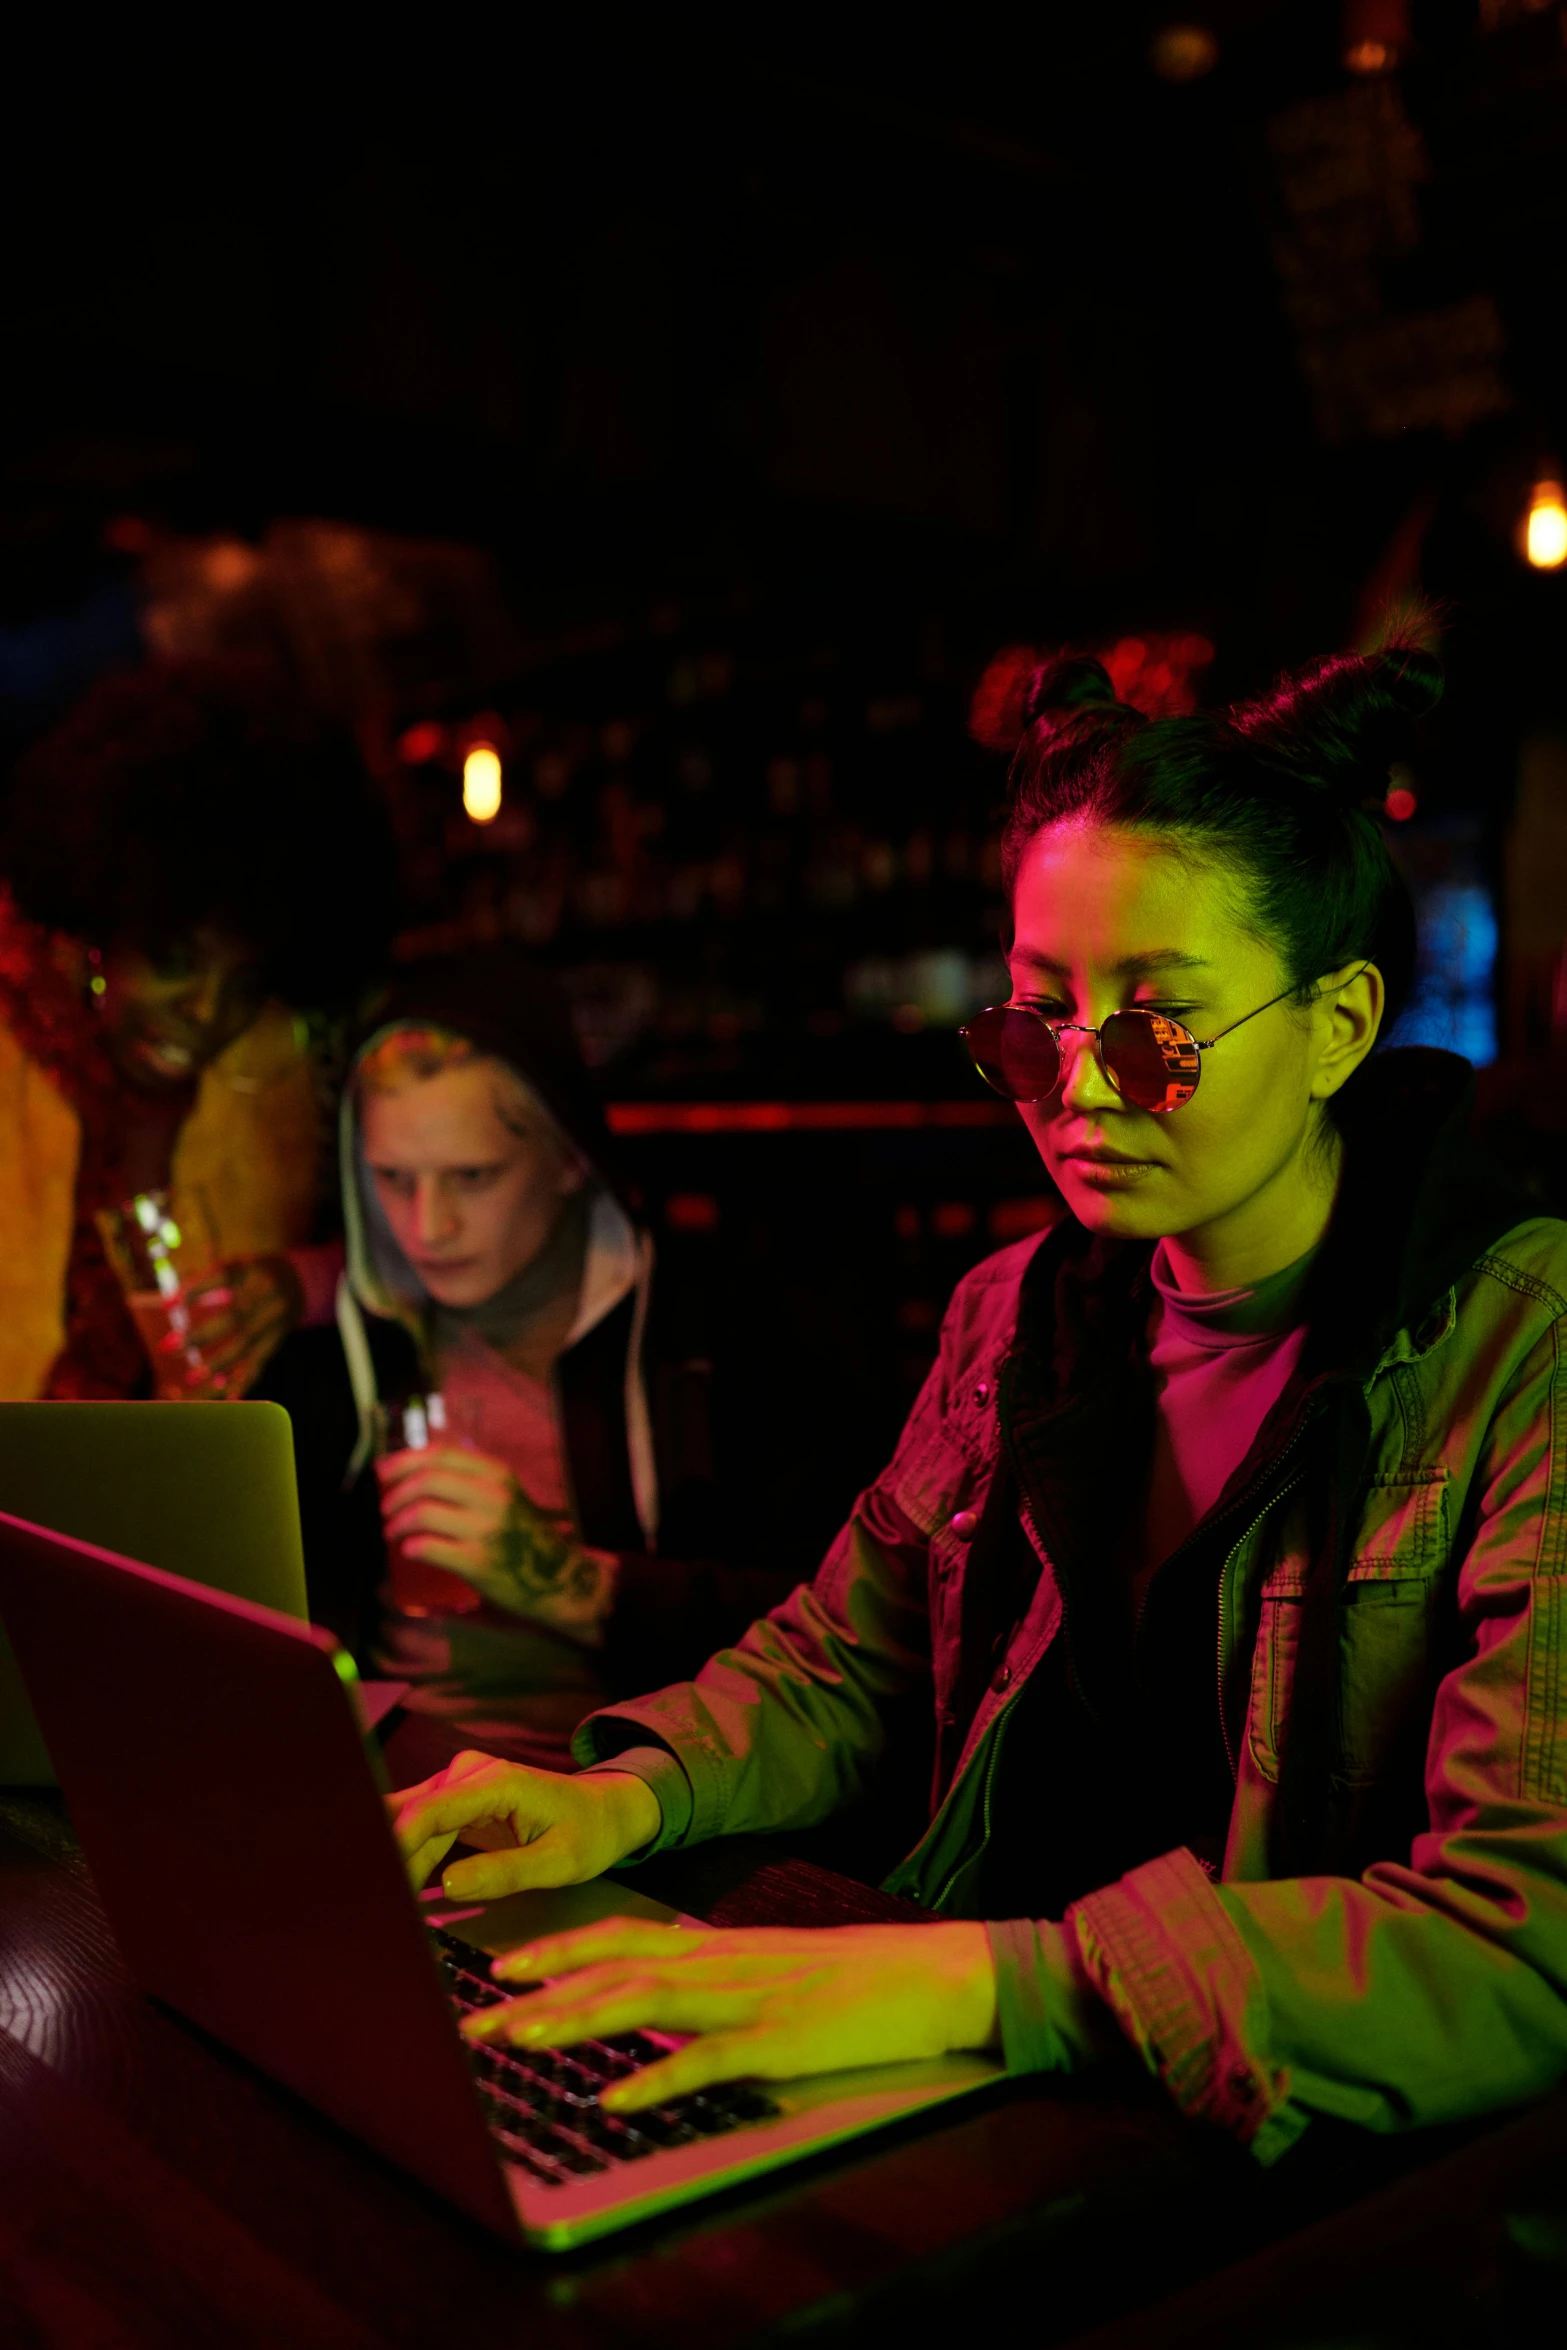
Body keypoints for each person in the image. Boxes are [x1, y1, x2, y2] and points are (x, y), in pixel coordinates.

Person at [386, 632, 1567, 2157]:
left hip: (1314, 2168)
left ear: (1335, 1025)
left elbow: (1516, 1944)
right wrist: (627, 1794)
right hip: (1017, 2078)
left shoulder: (1516, 1347)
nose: (1074, 1089)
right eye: (1033, 1022)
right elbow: (847, 1661)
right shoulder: (1017, 1310)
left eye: (1150, 1031)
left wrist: (984, 1976)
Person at [260, 946, 787, 1759]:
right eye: (393, 1180)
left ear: (570, 1157)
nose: (426, 1227)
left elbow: (839, 1641)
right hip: (377, 1780)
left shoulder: (720, 1332)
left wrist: (566, 1580)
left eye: (472, 1176)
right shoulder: (342, 1348)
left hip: (627, 1805)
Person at [0, 658, 393, 1400]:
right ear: (104, 922)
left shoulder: (276, 1078)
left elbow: (433, 1249)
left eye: (245, 984)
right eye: (174, 960)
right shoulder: (12, 1041)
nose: (209, 1012)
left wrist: (296, 1282)